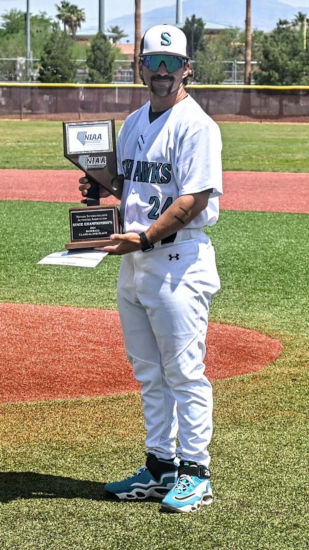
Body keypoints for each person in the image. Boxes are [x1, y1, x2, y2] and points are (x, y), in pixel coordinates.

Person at [79, 24, 222, 514]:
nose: (162, 72)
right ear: (140, 67)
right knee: (148, 371)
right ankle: (160, 467)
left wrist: (142, 235)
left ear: (187, 69)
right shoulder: (136, 120)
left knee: (184, 372)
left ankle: (196, 473)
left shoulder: (197, 125)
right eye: (153, 62)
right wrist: (99, 184)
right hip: (136, 258)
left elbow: (193, 198)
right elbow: (133, 185)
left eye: (171, 63)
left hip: (178, 260)